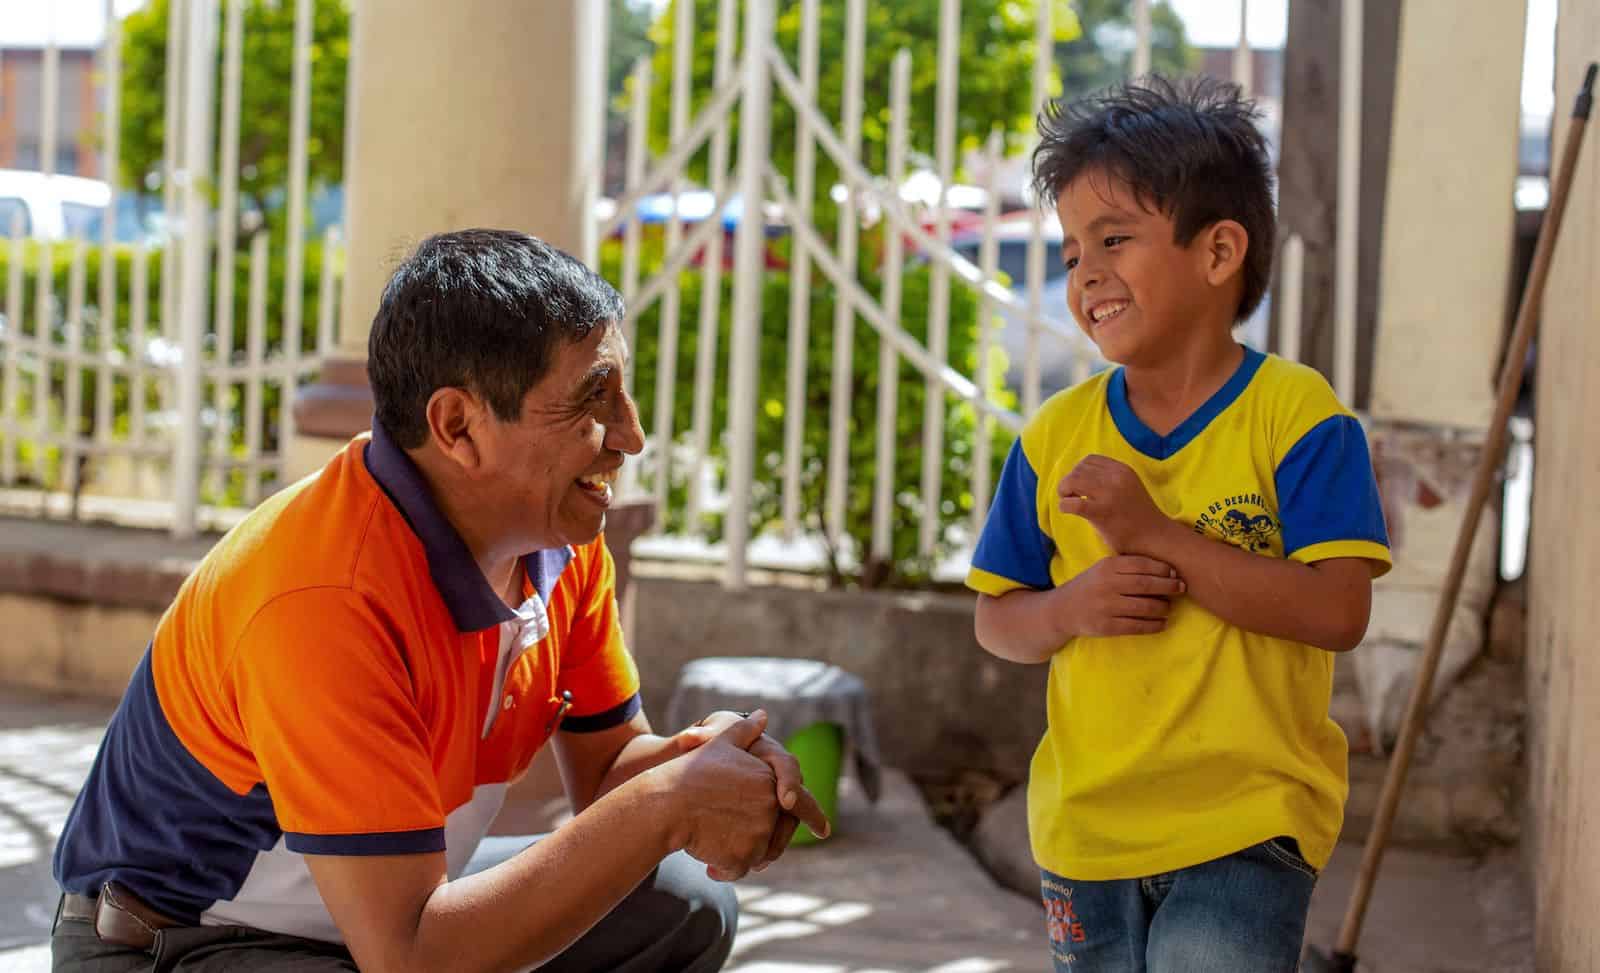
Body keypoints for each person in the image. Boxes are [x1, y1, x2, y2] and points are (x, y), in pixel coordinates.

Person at [50, 229, 829, 973]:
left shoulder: (561, 542)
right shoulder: (324, 596)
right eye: (595, 398)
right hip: (181, 942)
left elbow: (607, 776)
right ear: (458, 425)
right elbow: (414, 955)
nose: (631, 435)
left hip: (378, 920)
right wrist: (666, 804)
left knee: (684, 901)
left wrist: (697, 765)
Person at [967, 77, 1391, 973]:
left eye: (1114, 238)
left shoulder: (1299, 417)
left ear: (1220, 250)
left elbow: (1337, 611)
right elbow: (997, 617)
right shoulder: (1054, 438)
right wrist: (1069, 608)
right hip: (1085, 835)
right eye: (1074, 246)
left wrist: (1157, 533)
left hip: (1245, 828)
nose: (1085, 272)